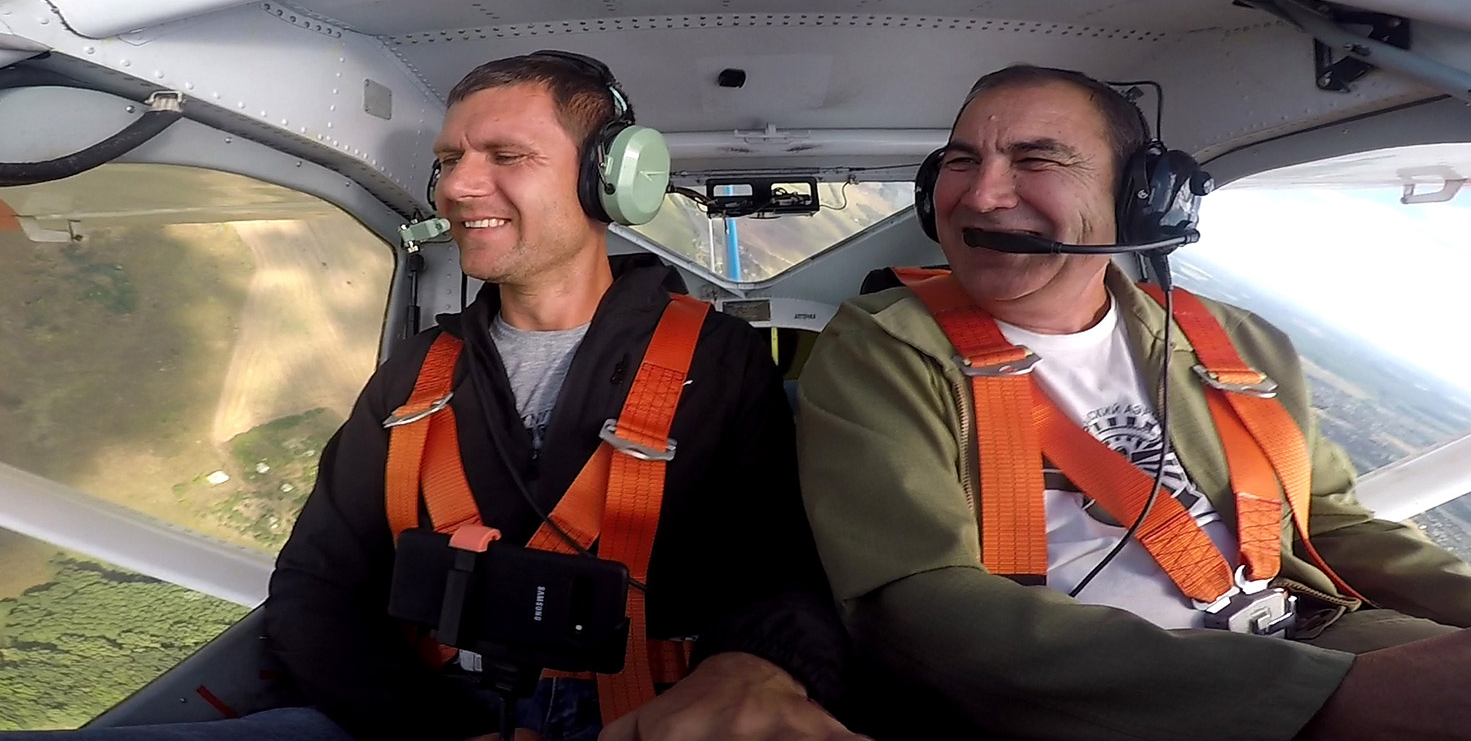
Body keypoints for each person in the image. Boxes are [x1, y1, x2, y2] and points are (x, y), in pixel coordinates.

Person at [0, 53, 855, 741]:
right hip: (424, 714)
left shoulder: (717, 360)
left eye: (506, 157)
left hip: (653, 715)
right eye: (449, 161)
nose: (456, 187)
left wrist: (758, 670)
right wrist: (437, 727)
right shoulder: (416, 374)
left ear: (607, 182)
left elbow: (787, 566)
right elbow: (318, 585)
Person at [796, 64, 1471, 741]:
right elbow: (920, 604)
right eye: (960, 162)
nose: (982, 196)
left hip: (1317, 633)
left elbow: (1330, 523)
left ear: (1138, 197)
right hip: (1099, 694)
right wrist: (1320, 699)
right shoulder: (885, 348)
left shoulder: (1237, 342)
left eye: (1035, 160)